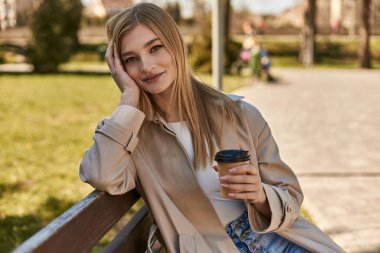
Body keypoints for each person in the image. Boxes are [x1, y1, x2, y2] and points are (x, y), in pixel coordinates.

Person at [79, 3, 345, 253]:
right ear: (118, 67)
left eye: (155, 48)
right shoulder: (132, 136)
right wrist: (128, 99)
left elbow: (291, 198)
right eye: (131, 59)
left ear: (176, 45)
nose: (147, 66)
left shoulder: (239, 115)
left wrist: (260, 194)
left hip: (278, 241)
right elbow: (101, 174)